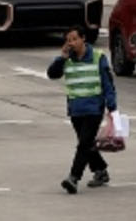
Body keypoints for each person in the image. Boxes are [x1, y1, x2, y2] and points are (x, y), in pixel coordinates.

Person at [46, 27, 117, 194]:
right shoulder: (66, 60)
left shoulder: (98, 57)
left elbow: (108, 83)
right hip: (76, 110)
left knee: (83, 144)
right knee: (86, 144)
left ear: (83, 39)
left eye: (74, 39)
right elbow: (52, 74)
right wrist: (62, 58)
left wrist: (112, 106)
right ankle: (100, 170)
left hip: (94, 108)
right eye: (68, 40)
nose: (71, 43)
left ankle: (73, 178)